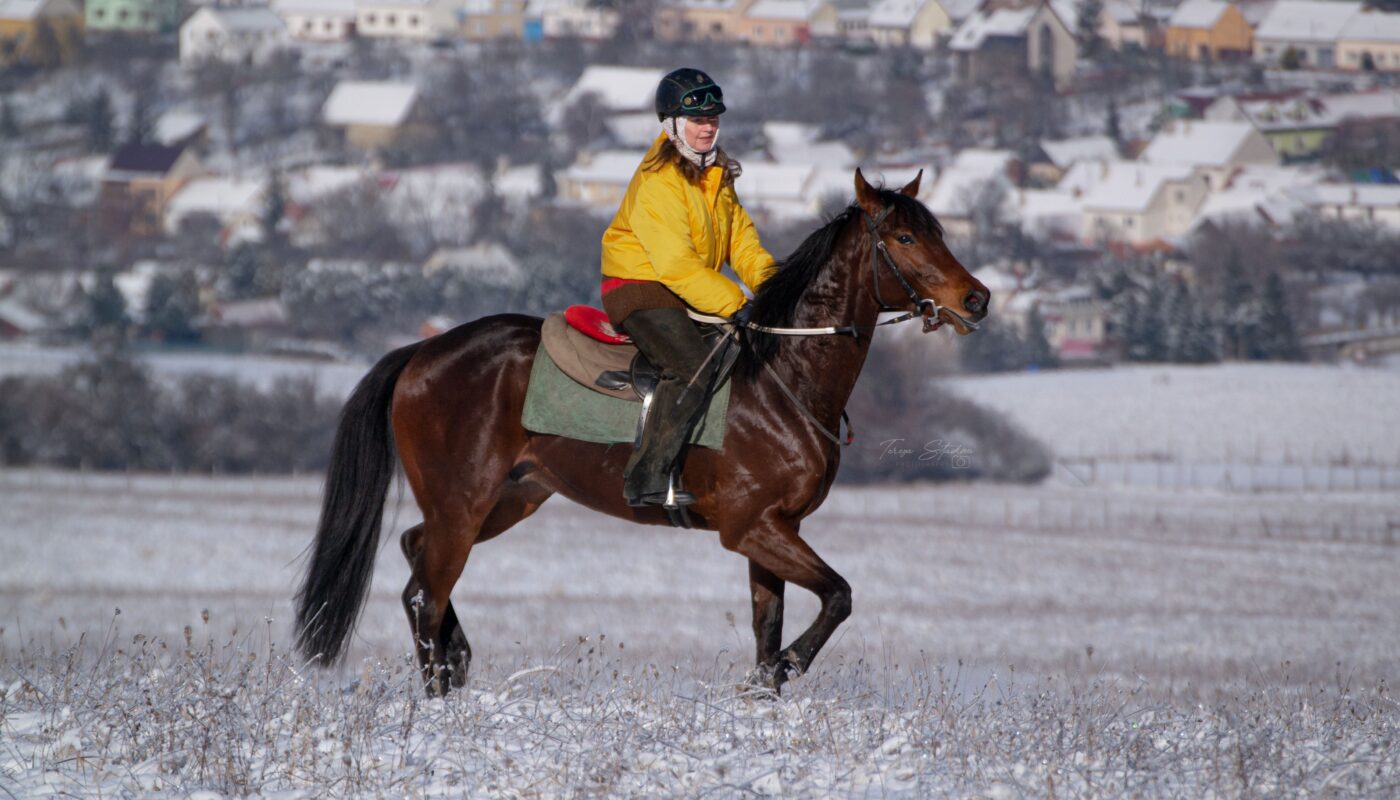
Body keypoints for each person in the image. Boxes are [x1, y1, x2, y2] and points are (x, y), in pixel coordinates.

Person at [600, 67, 776, 508]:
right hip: (641, 286)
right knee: (692, 366)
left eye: (714, 118)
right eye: (698, 120)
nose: (708, 127)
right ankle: (647, 477)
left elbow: (744, 246)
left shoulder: (717, 177)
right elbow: (676, 266)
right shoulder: (659, 182)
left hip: (686, 287)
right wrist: (736, 302)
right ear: (673, 125)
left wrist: (777, 292)